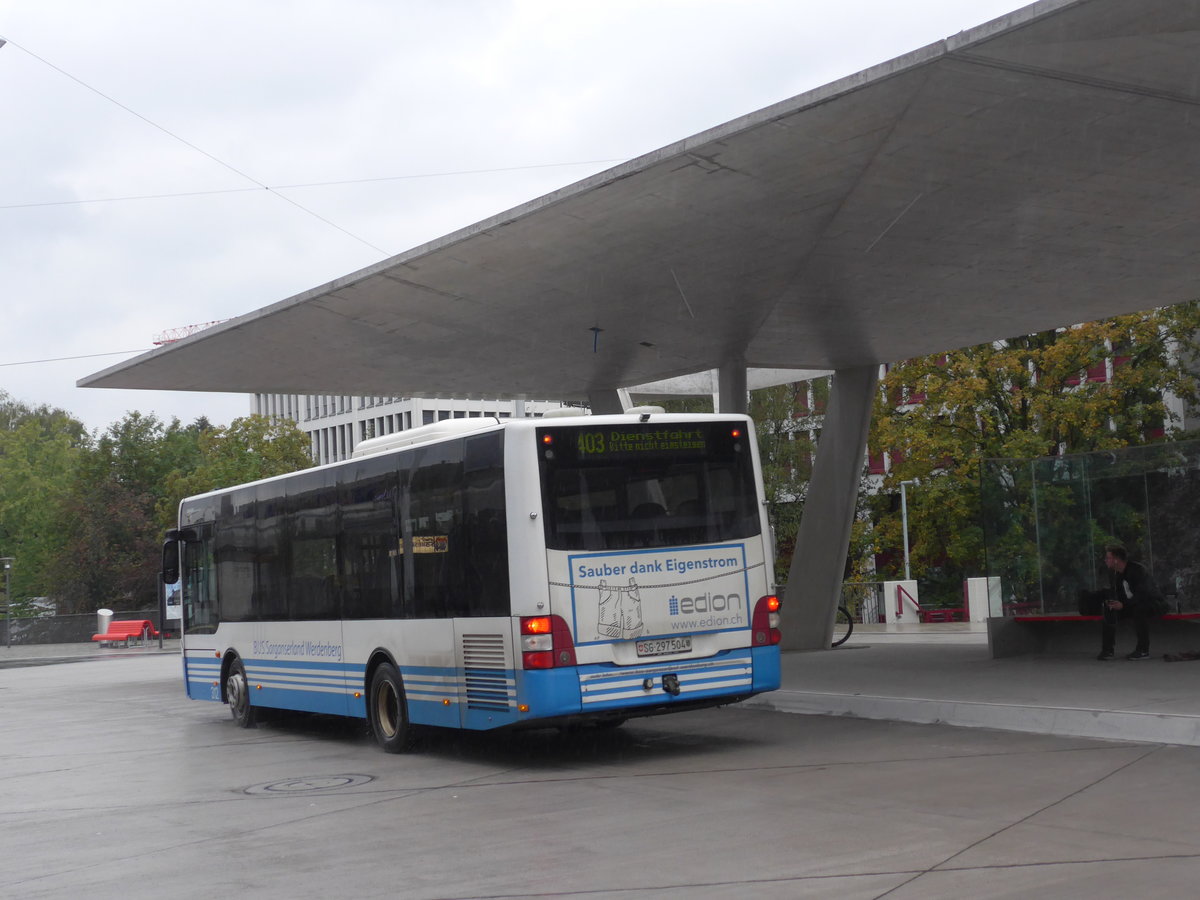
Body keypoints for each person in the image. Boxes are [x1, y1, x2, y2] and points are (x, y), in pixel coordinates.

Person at [1097, 544, 1164, 661]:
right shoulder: (1114, 574)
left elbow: (1143, 594)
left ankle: (1143, 650)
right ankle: (1108, 651)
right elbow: (1120, 594)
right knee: (1109, 609)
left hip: (1153, 603)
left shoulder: (1137, 570)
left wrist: (1123, 605)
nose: (1105, 560)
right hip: (1132, 604)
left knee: (1139, 609)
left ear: (1116, 560)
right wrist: (1115, 603)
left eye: (1108, 558)